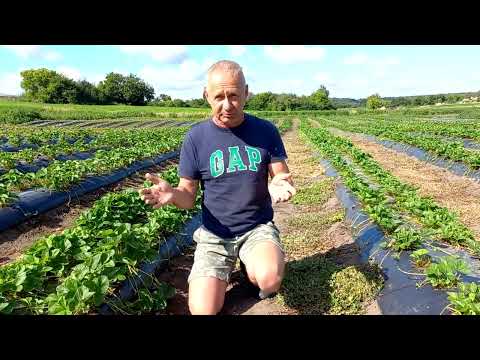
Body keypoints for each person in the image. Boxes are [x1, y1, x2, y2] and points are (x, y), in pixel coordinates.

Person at [139, 60, 296, 315]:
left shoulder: (265, 130)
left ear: (246, 93)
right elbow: (188, 196)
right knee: (204, 310)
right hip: (215, 234)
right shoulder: (196, 138)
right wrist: (172, 195)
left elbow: (282, 175)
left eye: (234, 95)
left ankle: (251, 266)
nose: (227, 105)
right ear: (206, 96)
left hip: (256, 228)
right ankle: (224, 271)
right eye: (219, 96)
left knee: (269, 280)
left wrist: (281, 183)